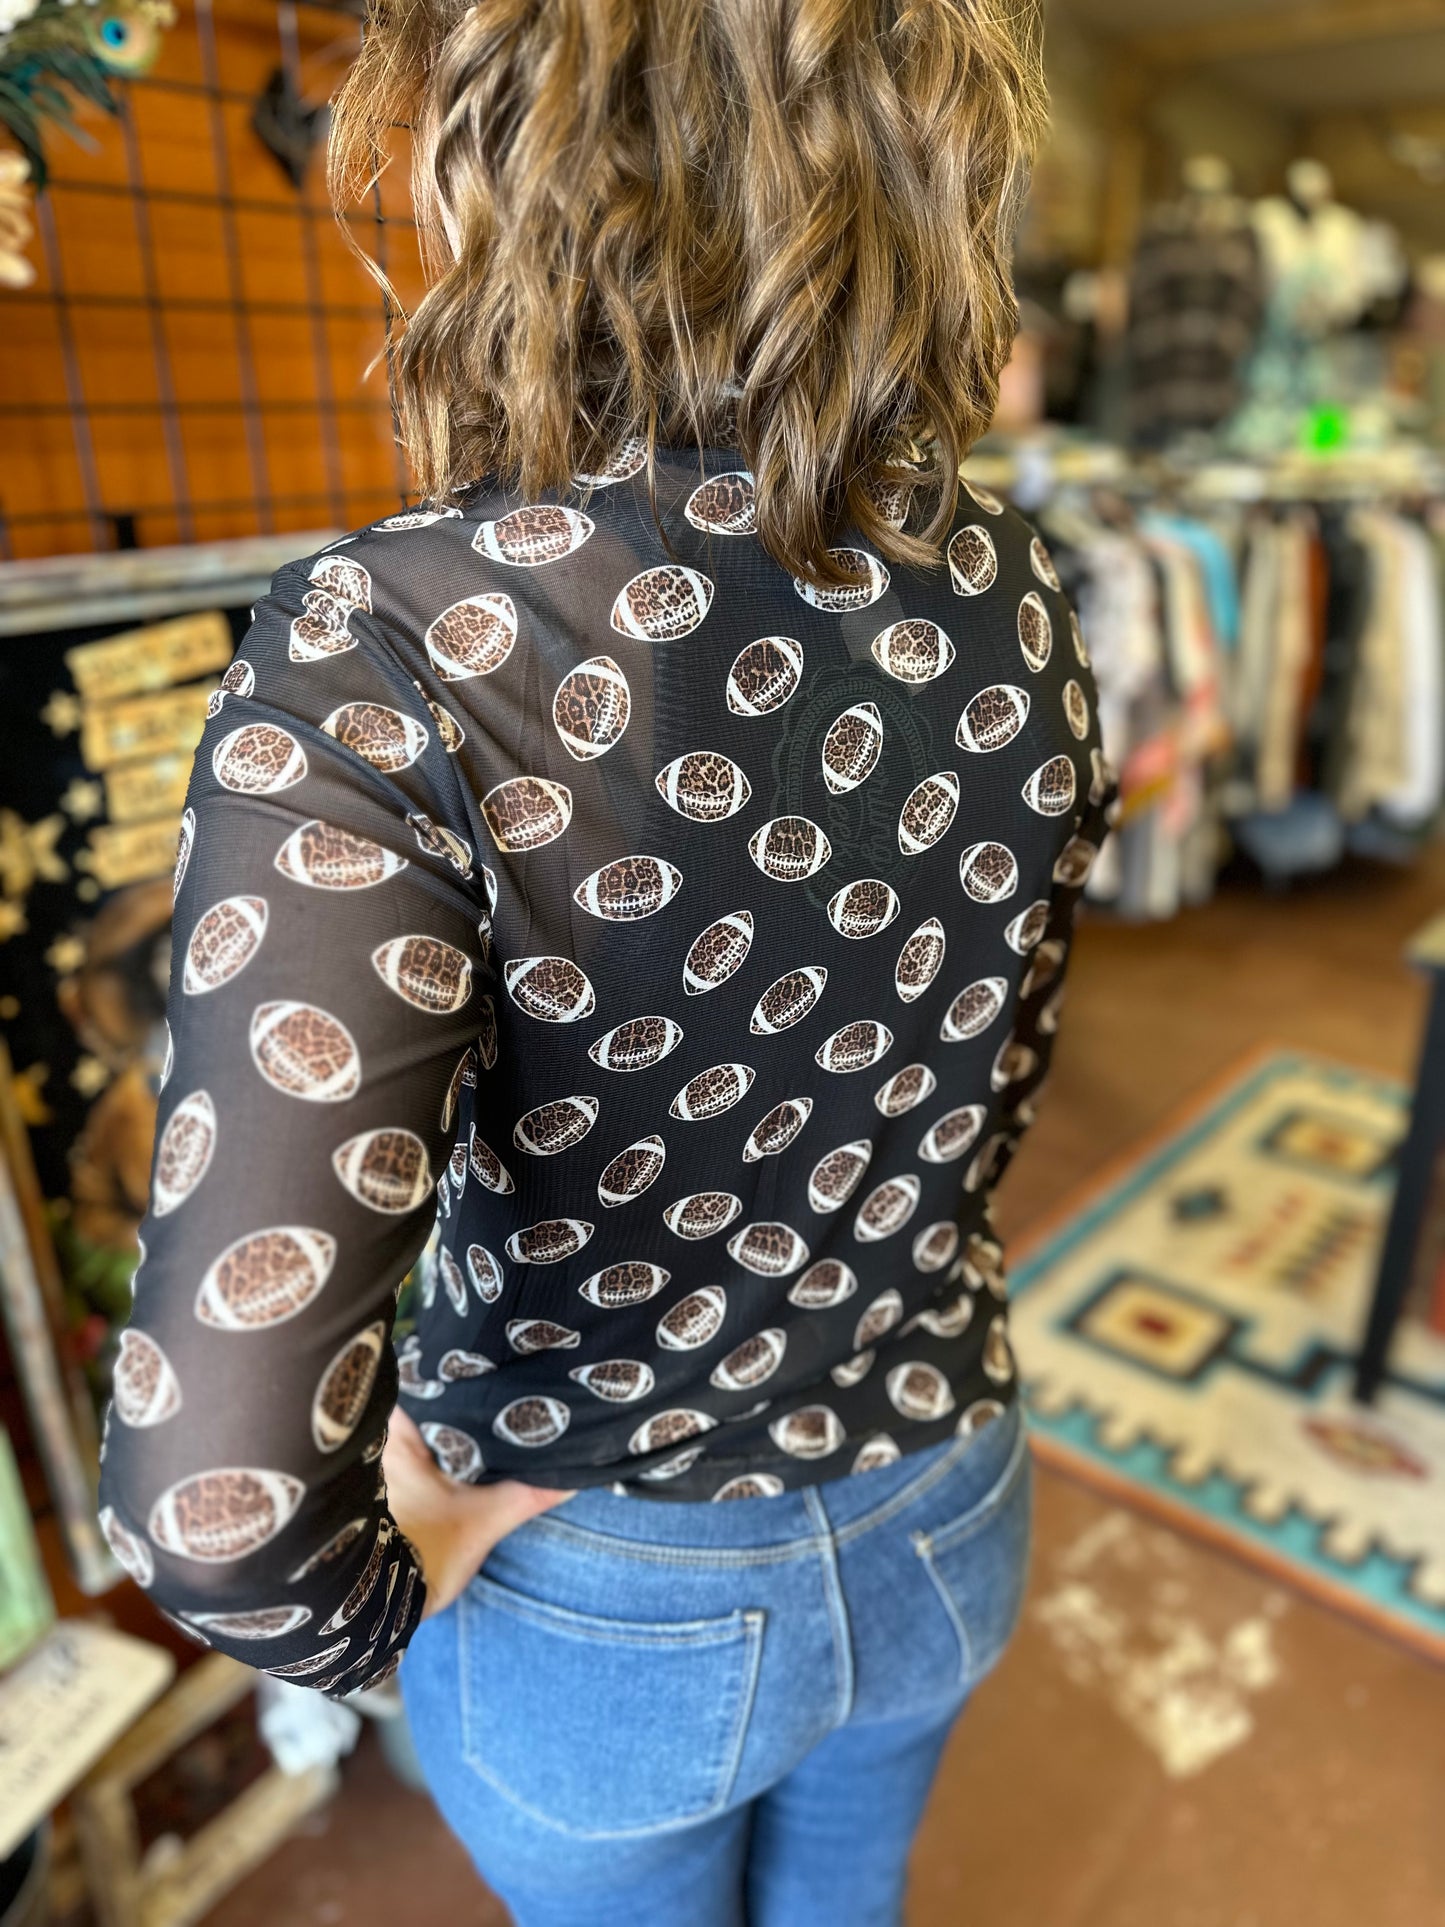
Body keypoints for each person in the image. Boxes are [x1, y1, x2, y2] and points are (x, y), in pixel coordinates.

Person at [98, 0, 1114, 1918]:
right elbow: (985, 1084)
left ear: (503, 151)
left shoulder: (388, 650)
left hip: (595, 1574)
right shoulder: (1016, 585)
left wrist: (389, 1592)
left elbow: (214, 1510)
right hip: (946, 1487)